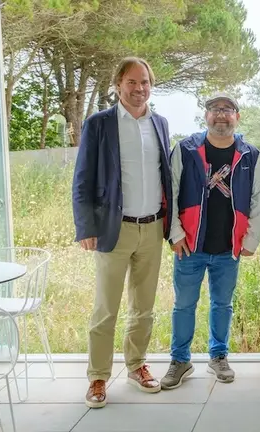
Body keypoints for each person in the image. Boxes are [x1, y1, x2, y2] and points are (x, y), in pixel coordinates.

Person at [73, 57, 173, 408]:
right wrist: (86, 226)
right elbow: (83, 178)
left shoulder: (159, 123)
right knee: (106, 309)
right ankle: (98, 377)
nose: (139, 88)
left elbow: (166, 179)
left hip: (152, 228)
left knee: (143, 308)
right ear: (118, 84)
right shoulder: (99, 124)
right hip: (112, 231)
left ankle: (136, 366)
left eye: (144, 81)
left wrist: (170, 225)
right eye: (132, 82)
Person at [159, 93, 260, 389]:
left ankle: (218, 356)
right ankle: (180, 360)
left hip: (228, 248)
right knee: (184, 305)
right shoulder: (185, 149)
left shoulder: (250, 155)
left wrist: (251, 240)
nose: (221, 115)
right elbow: (172, 191)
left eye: (228, 110)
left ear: (237, 116)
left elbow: (259, 201)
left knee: (222, 305)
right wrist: (176, 234)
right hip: (190, 246)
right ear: (205, 116)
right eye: (215, 109)